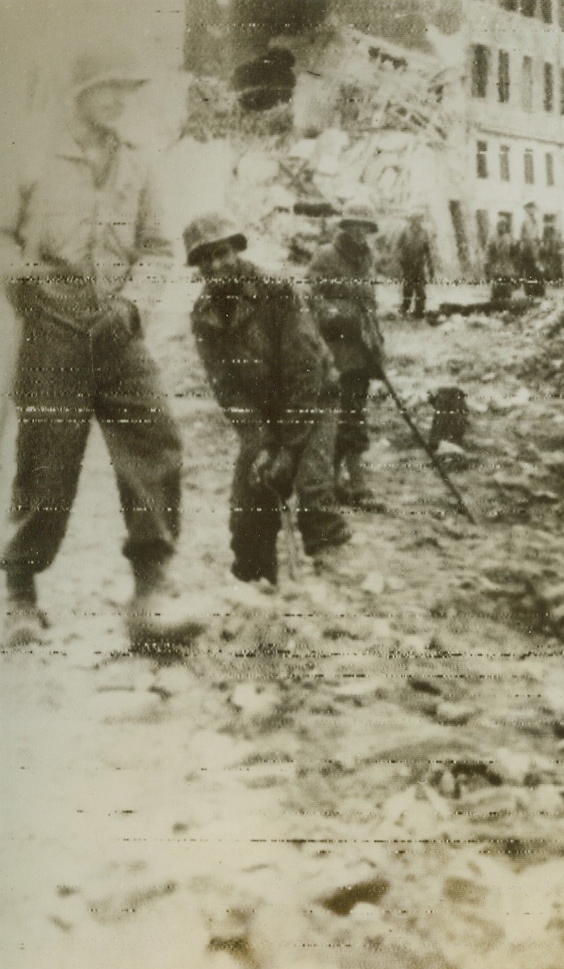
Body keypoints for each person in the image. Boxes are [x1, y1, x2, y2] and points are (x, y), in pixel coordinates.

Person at [1, 44, 204, 648]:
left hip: (118, 328)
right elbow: (2, 238)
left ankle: (152, 591)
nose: (118, 100)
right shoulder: (31, 154)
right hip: (51, 325)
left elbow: (158, 247)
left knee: (155, 440)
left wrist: (135, 303)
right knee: (46, 463)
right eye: (107, 88)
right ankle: (19, 595)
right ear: (78, 94)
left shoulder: (141, 161)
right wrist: (26, 282)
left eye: (127, 89)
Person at [184, 213, 351, 585]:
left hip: (314, 401)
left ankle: (336, 584)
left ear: (237, 250)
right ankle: (257, 584)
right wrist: (260, 445)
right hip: (266, 416)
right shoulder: (203, 316)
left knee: (313, 488)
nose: (214, 265)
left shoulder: (279, 292)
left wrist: (288, 450)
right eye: (204, 259)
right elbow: (227, 390)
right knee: (247, 506)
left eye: (221, 253)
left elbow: (304, 373)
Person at [307, 202, 384, 508]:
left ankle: (339, 479)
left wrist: (374, 337)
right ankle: (352, 481)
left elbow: (370, 300)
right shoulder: (326, 255)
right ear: (345, 226)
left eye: (365, 227)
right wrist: (335, 315)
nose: (360, 232)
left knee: (354, 411)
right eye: (354, 225)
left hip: (363, 347)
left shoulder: (367, 258)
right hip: (336, 348)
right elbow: (309, 296)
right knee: (343, 414)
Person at [397, 210, 435, 319]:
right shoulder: (405, 231)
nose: (417, 221)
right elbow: (399, 246)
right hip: (407, 264)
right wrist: (401, 261)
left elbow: (428, 250)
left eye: (419, 219)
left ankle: (419, 311)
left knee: (420, 289)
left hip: (419, 264)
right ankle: (405, 308)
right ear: (411, 220)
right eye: (414, 219)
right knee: (407, 288)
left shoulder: (424, 232)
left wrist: (430, 267)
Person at [485, 217, 519, 302]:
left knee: (506, 287)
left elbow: (514, 252)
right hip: (496, 266)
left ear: (506, 226)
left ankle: (506, 302)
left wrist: (514, 261)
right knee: (496, 287)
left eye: (503, 225)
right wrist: (488, 264)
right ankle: (495, 302)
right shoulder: (492, 238)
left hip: (507, 266)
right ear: (497, 226)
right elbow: (488, 252)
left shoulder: (509, 238)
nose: (501, 227)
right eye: (499, 225)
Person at [518, 201, 544, 298]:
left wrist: (538, 242)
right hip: (528, 249)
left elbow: (537, 235)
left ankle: (538, 290)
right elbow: (524, 237)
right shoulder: (525, 221)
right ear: (527, 210)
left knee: (537, 271)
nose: (533, 210)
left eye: (534, 209)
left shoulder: (535, 221)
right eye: (531, 208)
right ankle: (529, 291)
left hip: (535, 248)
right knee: (529, 271)